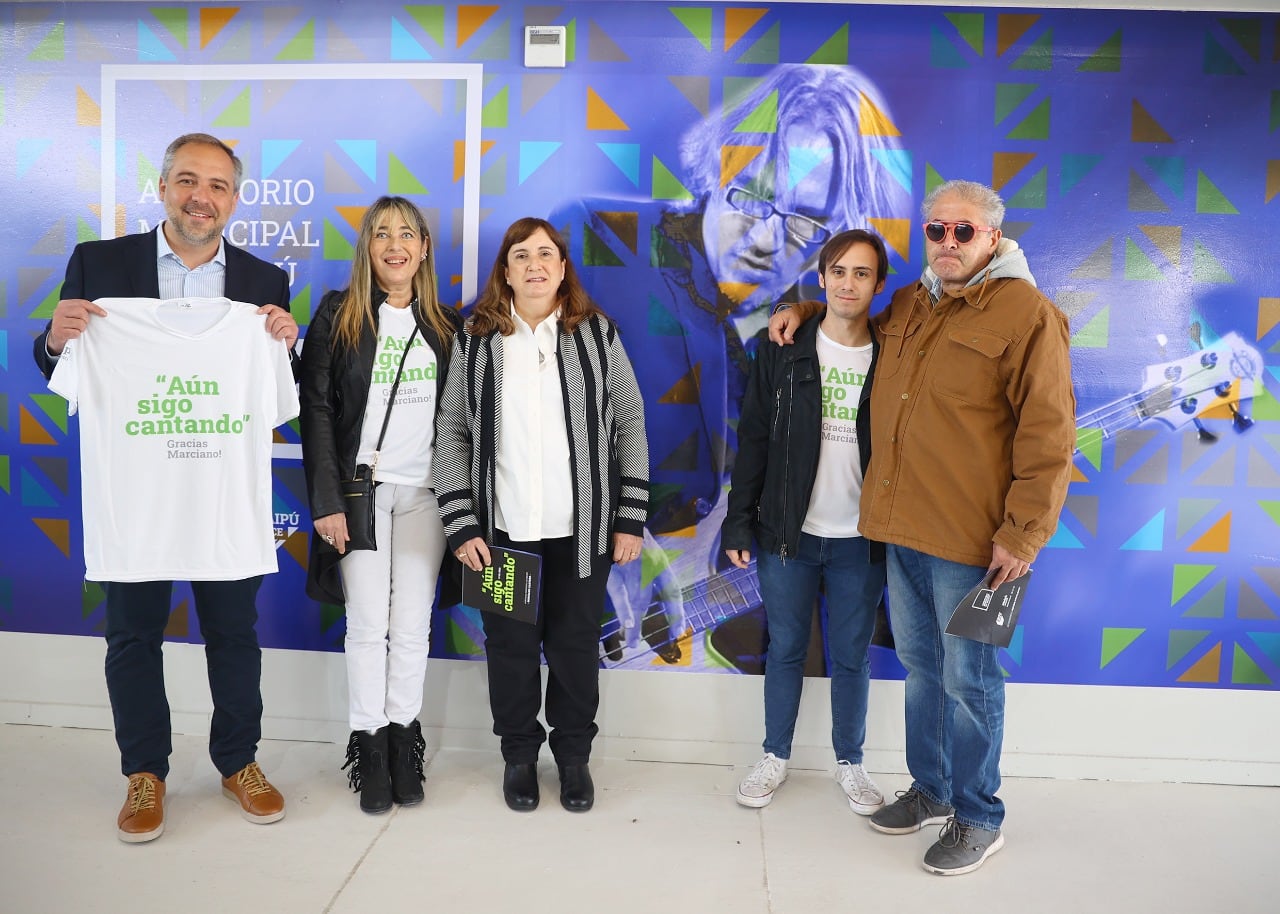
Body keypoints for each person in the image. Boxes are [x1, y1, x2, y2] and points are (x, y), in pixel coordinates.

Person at [553, 63, 909, 671]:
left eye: (804, 222)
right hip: (567, 578)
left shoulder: (785, 334)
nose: (770, 237)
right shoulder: (597, 238)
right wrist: (614, 534)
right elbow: (516, 397)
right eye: (753, 195)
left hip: (676, 639)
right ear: (717, 166)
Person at [769, 180, 1076, 875]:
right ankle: (933, 789)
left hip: (976, 546)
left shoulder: (1028, 314)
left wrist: (1022, 537)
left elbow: (1050, 438)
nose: (947, 243)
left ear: (993, 238)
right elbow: (854, 324)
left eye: (963, 232)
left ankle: (978, 815)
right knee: (920, 671)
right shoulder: (910, 302)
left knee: (971, 679)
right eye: (936, 231)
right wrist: (807, 305)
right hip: (899, 532)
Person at [33, 132, 298, 843]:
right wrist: (56, 338)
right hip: (139, 493)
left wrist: (286, 346)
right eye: (187, 180)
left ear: (235, 200)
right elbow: (59, 365)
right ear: (162, 187)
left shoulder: (264, 284)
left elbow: (280, 391)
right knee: (132, 634)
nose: (200, 197)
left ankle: (239, 761)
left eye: (216, 186)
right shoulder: (99, 262)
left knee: (236, 634)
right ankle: (143, 771)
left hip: (221, 495)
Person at [433, 217, 649, 813]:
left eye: (546, 254)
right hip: (501, 534)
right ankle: (520, 757)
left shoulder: (597, 336)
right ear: (505, 269)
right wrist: (462, 524)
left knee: (577, 647)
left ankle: (574, 759)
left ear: (561, 269)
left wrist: (629, 519)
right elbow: (451, 432)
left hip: (583, 534)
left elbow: (628, 424)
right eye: (521, 254)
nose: (534, 264)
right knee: (510, 650)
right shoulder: (475, 340)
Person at [298, 196, 461, 814]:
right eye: (382, 234)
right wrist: (326, 500)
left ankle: (403, 741)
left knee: (413, 628)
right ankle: (368, 745)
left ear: (423, 248)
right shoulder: (338, 315)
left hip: (425, 499)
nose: (395, 244)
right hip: (358, 498)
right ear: (368, 247)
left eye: (407, 233)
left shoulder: (447, 325)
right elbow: (314, 411)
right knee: (367, 627)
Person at [721, 229, 889, 814]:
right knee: (787, 647)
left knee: (851, 656)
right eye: (838, 271)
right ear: (821, 278)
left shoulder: (893, 353)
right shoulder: (784, 347)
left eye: (862, 273)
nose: (848, 283)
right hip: (789, 534)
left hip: (862, 539)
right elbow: (755, 440)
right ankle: (774, 756)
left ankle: (851, 763)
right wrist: (738, 522)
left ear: (878, 284)